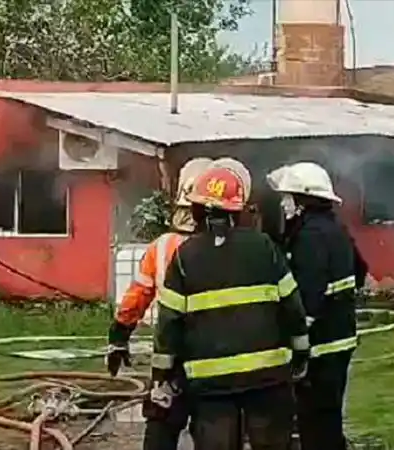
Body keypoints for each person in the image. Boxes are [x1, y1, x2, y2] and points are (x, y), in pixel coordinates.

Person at [153, 164, 310, 450]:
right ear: (237, 210)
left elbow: (169, 323)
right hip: (268, 377)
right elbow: (292, 306)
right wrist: (301, 353)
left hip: (210, 386)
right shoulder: (264, 247)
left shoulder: (185, 257)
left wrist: (162, 375)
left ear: (198, 210)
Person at [106, 157, 213, 450]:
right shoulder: (234, 248)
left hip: (171, 356)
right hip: (219, 357)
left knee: (162, 425)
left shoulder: (163, 246)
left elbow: (137, 296)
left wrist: (118, 337)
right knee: (216, 431)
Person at [267, 161, 359, 450]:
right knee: (328, 418)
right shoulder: (333, 228)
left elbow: (307, 299)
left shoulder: (310, 236)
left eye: (287, 197)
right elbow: (361, 269)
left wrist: (296, 343)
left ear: (303, 199)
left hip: (320, 346)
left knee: (315, 422)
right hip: (339, 340)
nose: (283, 204)